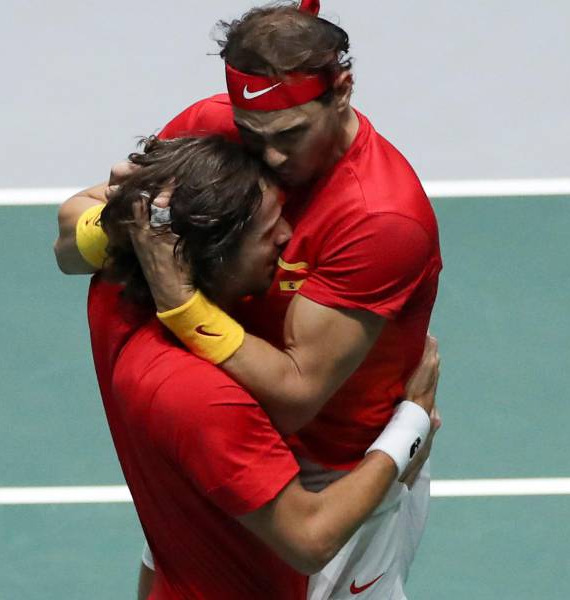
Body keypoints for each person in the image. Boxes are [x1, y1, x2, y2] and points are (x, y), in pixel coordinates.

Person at [54, 3, 443, 597]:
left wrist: (182, 301)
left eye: (291, 134)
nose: (272, 159)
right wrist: (124, 225)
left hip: (332, 477)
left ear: (342, 90)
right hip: (222, 432)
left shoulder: (379, 217)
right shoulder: (214, 129)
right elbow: (68, 245)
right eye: (254, 134)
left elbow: (295, 397)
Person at [90, 134, 440, 599]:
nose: (288, 237)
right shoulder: (202, 396)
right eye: (267, 231)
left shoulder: (114, 308)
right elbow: (311, 538)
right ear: (217, 252)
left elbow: (159, 550)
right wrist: (409, 427)